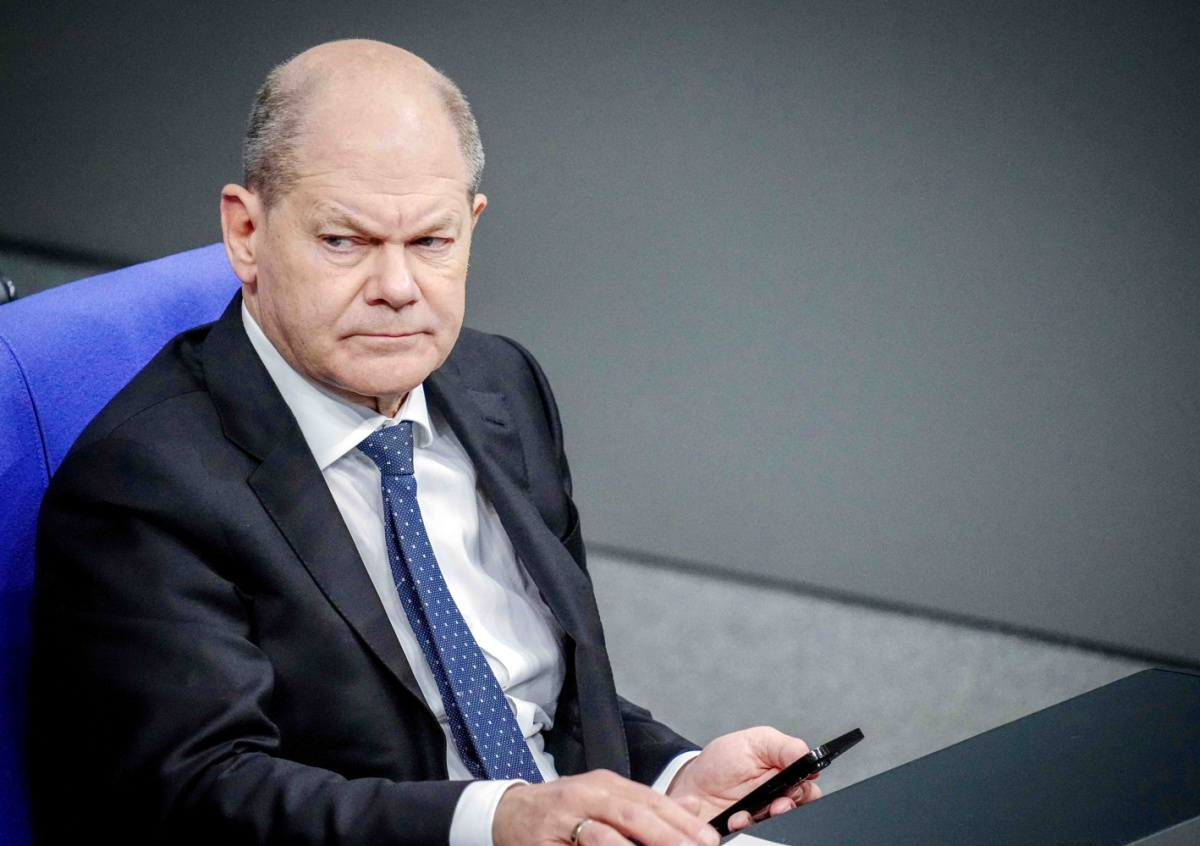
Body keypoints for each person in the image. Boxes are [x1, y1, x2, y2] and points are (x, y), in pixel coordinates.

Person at [28, 40, 820, 846]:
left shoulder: (500, 384)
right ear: (246, 232)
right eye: (345, 242)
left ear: (471, 225)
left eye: (431, 243)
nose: (398, 289)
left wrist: (673, 778)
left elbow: (538, 693)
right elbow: (199, 794)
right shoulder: (146, 481)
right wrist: (493, 821)